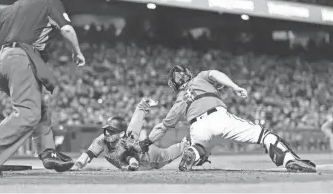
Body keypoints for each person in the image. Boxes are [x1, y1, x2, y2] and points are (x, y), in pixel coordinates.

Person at [0, 0, 85, 177]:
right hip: (21, 57)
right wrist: (77, 52)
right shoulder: (49, 2)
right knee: (27, 112)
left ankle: (48, 152)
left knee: (38, 107)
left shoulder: (9, 9)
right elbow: (66, 29)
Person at [132, 65, 316, 173]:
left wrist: (145, 143)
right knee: (264, 135)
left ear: (174, 85)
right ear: (188, 74)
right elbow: (214, 74)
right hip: (218, 117)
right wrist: (235, 87)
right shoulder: (200, 78)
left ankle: (194, 153)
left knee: (200, 148)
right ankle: (288, 159)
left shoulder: (178, 102)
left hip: (197, 128)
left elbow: (162, 128)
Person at [73, 98, 190, 171]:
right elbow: (88, 154)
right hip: (134, 149)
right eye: (107, 129)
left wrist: (132, 167)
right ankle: (143, 105)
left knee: (166, 155)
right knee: (133, 130)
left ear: (121, 133)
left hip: (148, 158)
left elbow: (132, 161)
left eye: (112, 131)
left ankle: (185, 144)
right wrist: (77, 165)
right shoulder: (102, 139)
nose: (108, 133)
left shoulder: (126, 144)